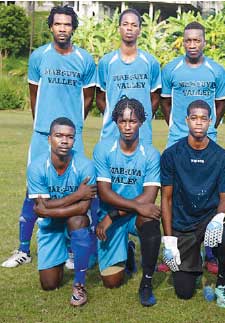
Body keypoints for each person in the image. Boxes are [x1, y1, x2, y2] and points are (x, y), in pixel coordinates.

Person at [5, 6, 95, 269]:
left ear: (73, 28)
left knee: (75, 189)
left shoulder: (85, 59)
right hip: (43, 133)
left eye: (68, 24)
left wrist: (74, 124)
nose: (63, 29)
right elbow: (35, 94)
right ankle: (23, 249)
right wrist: (43, 123)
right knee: (32, 190)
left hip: (71, 135)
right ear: (51, 27)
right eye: (58, 24)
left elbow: (87, 97)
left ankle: (70, 249)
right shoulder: (39, 57)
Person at [160, 100, 225, 308]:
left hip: (208, 221)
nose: (198, 123)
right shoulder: (171, 154)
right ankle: (194, 261)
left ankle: (222, 285)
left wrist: (219, 218)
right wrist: (168, 239)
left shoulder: (221, 157)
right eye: (194, 118)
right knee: (184, 292)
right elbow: (166, 199)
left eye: (203, 118)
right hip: (183, 224)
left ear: (210, 122)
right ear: (187, 120)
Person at [92, 97, 161, 306]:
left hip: (127, 216)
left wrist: (113, 217)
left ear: (141, 122)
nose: (128, 127)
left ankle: (147, 283)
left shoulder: (151, 154)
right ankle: (128, 249)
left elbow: (149, 198)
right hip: (109, 215)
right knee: (111, 283)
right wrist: (111, 216)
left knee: (150, 221)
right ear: (116, 122)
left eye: (133, 121)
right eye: (123, 121)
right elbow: (104, 194)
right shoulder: (103, 149)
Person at [28, 117, 96, 306]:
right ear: (49, 139)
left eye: (69, 137)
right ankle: (72, 251)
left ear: (75, 140)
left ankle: (79, 283)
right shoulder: (36, 167)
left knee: (78, 220)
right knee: (49, 284)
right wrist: (76, 195)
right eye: (59, 136)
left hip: (75, 221)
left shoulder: (85, 166)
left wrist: (48, 209)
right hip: (50, 227)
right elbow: (41, 209)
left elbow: (83, 208)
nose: (64, 141)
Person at [95, 8, 161, 145]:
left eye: (134, 25)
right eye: (125, 24)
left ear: (140, 30)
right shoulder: (106, 62)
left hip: (142, 134)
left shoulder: (151, 62)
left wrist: (142, 117)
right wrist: (115, 117)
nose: (129, 28)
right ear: (119, 28)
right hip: (111, 133)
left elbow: (155, 97)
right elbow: (100, 97)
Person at [161, 21, 225, 148]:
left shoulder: (217, 70)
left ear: (204, 43)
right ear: (183, 43)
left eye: (197, 41)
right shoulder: (170, 69)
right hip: (177, 138)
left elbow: (221, 103)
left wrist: (211, 126)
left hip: (208, 139)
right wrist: (173, 126)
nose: (192, 45)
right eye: (188, 41)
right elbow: (165, 102)